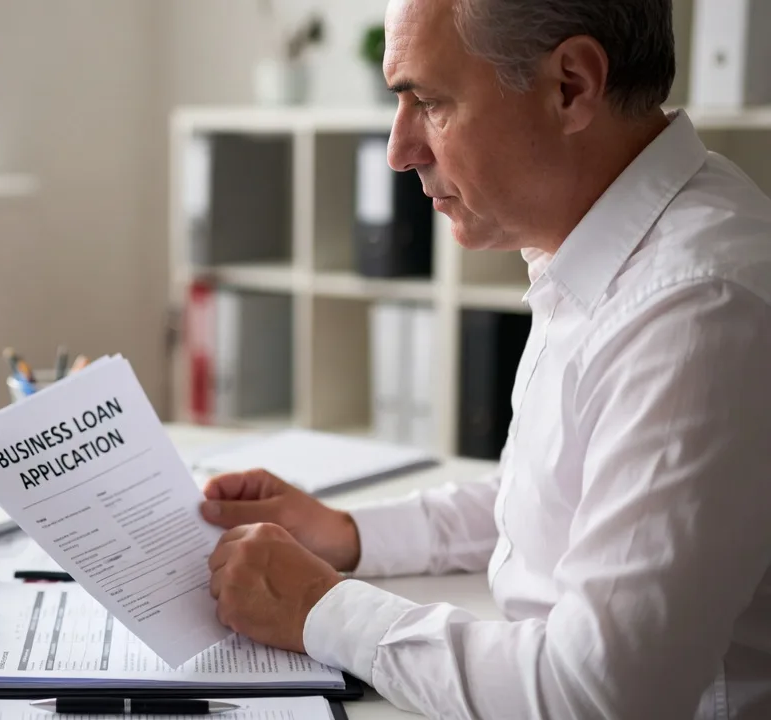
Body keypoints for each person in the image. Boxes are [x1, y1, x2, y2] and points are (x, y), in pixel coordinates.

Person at [201, 0, 771, 717]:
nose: (398, 149)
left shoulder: (695, 308)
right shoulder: (615, 240)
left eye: (430, 102)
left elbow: (595, 695)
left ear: (571, 85)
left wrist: (320, 608)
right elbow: (556, 494)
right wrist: (347, 536)